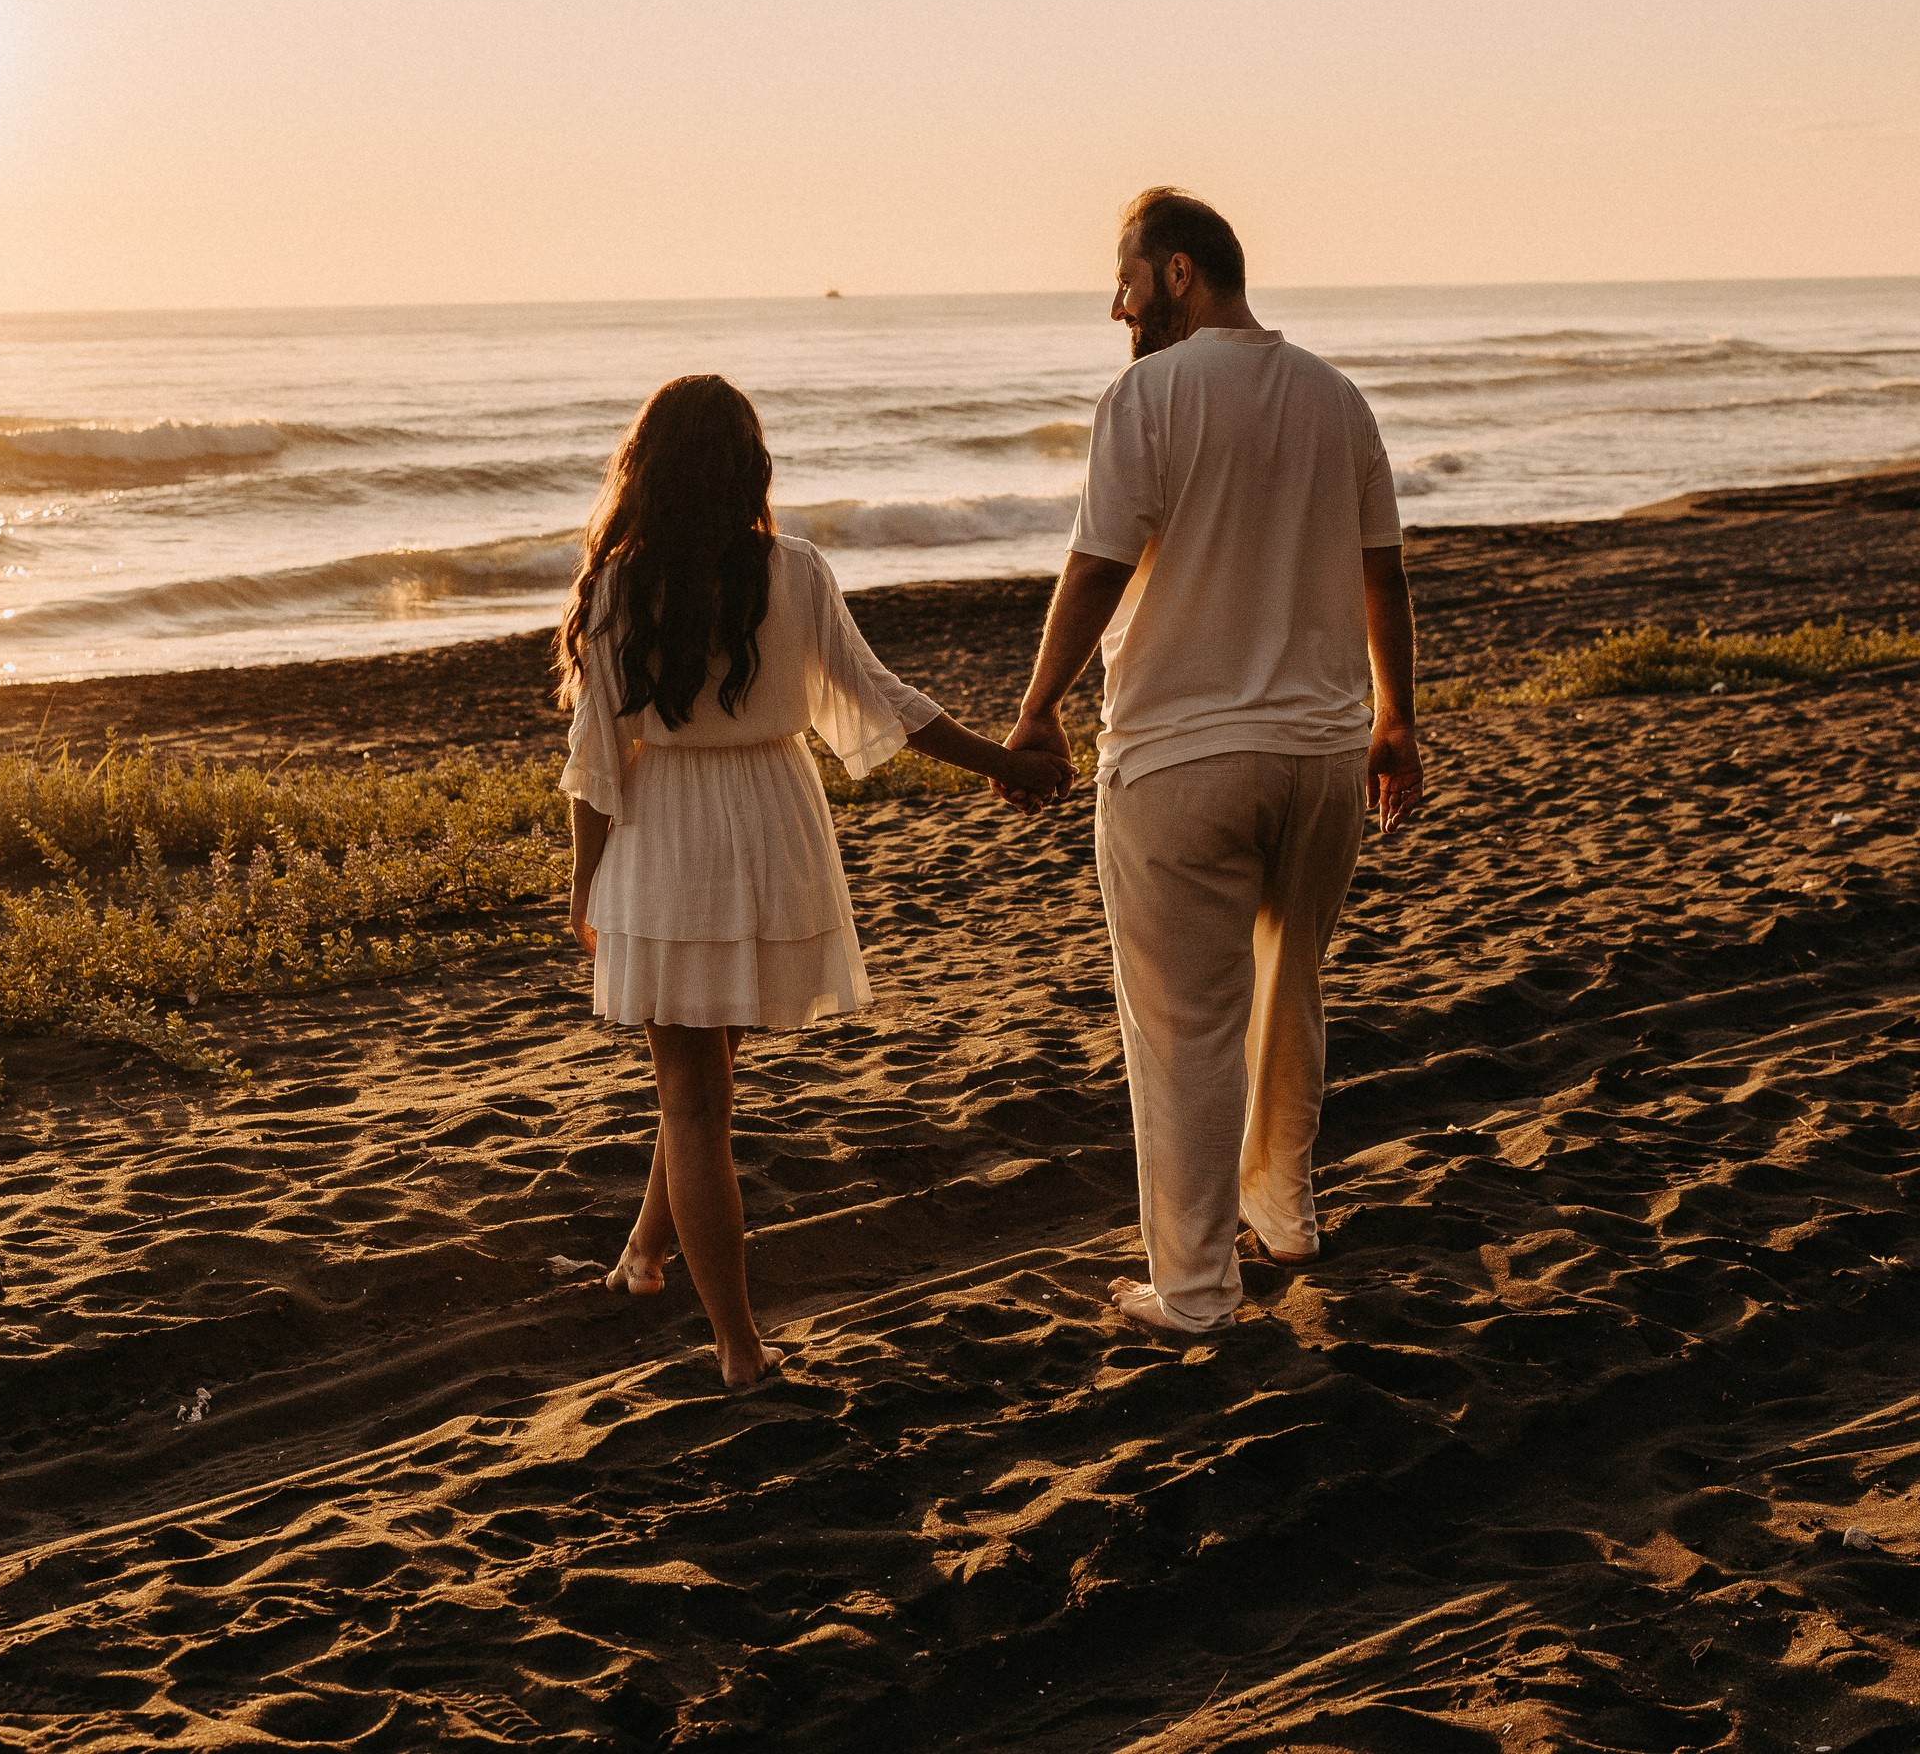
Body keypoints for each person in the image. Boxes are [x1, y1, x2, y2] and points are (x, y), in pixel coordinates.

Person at [558, 373, 1070, 1390]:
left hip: (668, 832)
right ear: (750, 466)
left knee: (693, 1094)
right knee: (701, 1081)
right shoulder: (791, 568)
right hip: (772, 825)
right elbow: (880, 699)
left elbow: (596, 757)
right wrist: (1002, 763)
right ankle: (644, 1255)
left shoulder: (617, 584)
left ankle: (738, 1349)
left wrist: (584, 881)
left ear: (642, 471)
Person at [1005, 188, 1423, 1335]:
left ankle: (1190, 1289)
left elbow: (1094, 567)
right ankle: (1281, 1214)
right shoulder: (1335, 399)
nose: (1114, 303)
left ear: (1178, 273)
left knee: (1182, 1025)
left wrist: (1036, 710)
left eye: (1126, 279)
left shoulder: (1147, 394)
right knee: (1289, 986)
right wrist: (1396, 720)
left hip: (1180, 757)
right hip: (1321, 754)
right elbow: (1379, 570)